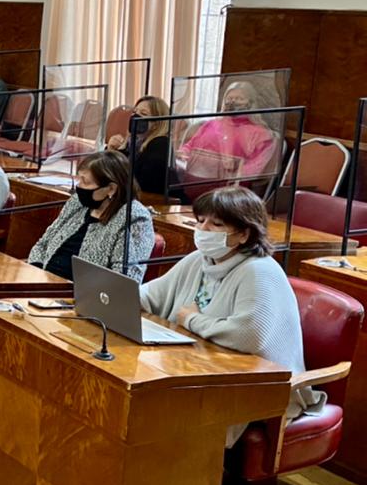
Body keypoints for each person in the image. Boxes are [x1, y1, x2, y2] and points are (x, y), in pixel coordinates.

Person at [139, 186, 317, 447]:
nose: (203, 229)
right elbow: (151, 295)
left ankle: (189, 471)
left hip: (258, 386)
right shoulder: (199, 259)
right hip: (201, 369)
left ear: (244, 233)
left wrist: (192, 320)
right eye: (201, 221)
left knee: (165, 410)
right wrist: (112, 295)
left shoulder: (259, 271)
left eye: (217, 224)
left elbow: (249, 335)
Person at [28, 151, 154, 281]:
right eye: (79, 179)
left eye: (85, 182)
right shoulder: (77, 203)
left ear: (111, 188)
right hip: (45, 281)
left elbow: (124, 278)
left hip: (82, 292)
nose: (79, 187)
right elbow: (42, 245)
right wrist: (36, 273)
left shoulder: (134, 218)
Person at [176, 80, 279, 190]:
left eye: (239, 98)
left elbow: (257, 168)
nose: (233, 102)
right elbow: (189, 147)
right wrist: (182, 154)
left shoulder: (260, 133)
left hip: (229, 190)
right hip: (191, 181)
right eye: (229, 98)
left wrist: (232, 175)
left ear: (251, 103)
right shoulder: (210, 124)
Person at [107, 95, 172, 196]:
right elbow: (108, 171)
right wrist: (111, 150)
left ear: (157, 123)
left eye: (143, 113)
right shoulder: (134, 141)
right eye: (134, 112)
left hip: (156, 200)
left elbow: (142, 184)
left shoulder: (160, 145)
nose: (135, 116)